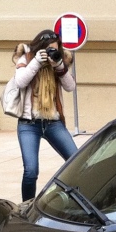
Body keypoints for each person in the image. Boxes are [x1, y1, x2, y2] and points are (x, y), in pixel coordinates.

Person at [12, 29, 78, 201]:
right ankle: (26, 207)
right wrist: (36, 62)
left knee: (77, 162)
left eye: (55, 49)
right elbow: (20, 82)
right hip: (29, 124)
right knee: (31, 171)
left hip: (53, 123)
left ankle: (73, 200)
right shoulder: (26, 58)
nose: (52, 52)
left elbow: (70, 87)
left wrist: (58, 65)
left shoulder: (58, 61)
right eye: (49, 49)